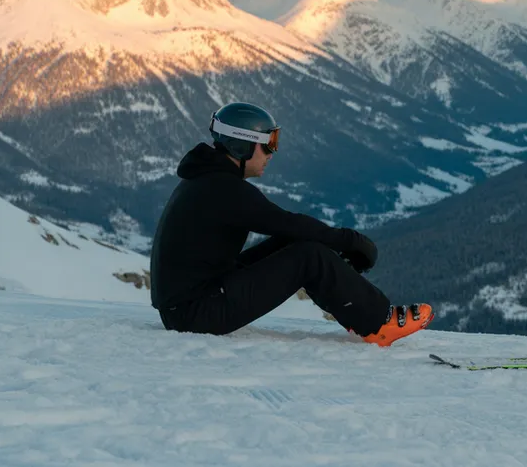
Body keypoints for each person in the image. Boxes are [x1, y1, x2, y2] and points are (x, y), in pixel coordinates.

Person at [149, 101, 433, 347]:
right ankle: (379, 322)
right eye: (268, 144)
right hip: (196, 313)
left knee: (293, 243)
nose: (272, 153)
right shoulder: (224, 189)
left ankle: (354, 310)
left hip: (190, 303)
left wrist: (342, 246)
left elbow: (289, 230)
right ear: (242, 146)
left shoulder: (207, 181)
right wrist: (352, 242)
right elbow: (287, 222)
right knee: (309, 256)